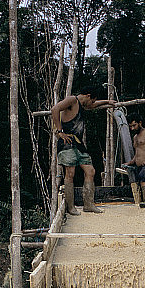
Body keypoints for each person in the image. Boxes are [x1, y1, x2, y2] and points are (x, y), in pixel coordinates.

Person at [51, 86, 118, 215]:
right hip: (66, 142)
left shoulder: (83, 105)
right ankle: (70, 207)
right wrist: (60, 131)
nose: (92, 103)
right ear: (88, 96)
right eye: (92, 100)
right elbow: (55, 109)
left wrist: (108, 102)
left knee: (90, 171)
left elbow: (93, 105)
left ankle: (88, 204)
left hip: (78, 144)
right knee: (70, 173)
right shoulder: (72, 100)